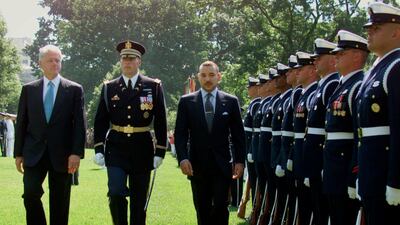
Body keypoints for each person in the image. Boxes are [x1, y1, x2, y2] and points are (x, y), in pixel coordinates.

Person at [93, 40, 167, 225]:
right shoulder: (109, 87)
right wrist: (98, 148)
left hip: (142, 148)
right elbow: (101, 120)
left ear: (139, 61)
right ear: (120, 61)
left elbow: (161, 120)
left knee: (139, 199)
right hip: (116, 148)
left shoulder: (153, 86)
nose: (127, 62)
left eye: (132, 59)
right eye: (124, 58)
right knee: (116, 192)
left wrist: (159, 151)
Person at [14, 44, 86, 225]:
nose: (55, 63)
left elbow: (79, 124)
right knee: (30, 193)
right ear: (40, 63)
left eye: (58, 60)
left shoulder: (74, 89)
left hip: (62, 155)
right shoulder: (29, 89)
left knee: (60, 201)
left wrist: (76, 153)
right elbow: (22, 123)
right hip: (33, 152)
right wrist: (18, 153)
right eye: (50, 60)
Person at [175, 60, 245, 225]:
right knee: (202, 209)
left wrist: (240, 161)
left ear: (218, 76)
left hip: (223, 165)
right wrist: (183, 158)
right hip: (197, 166)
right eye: (204, 75)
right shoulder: (186, 102)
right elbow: (180, 134)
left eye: (212, 75)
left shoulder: (231, 101)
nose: (208, 79)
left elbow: (238, 135)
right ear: (199, 77)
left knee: (221, 206)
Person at [357, 3, 400, 225]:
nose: (369, 33)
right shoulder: (377, 69)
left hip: (385, 175)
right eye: (369, 29)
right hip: (371, 172)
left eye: (377, 28)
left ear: (396, 32)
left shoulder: (396, 67)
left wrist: (396, 181)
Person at [323, 30, 368, 225]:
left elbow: (359, 136)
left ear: (357, 56)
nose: (336, 58)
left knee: (345, 216)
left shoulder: (357, 86)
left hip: (345, 168)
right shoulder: (343, 86)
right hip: (334, 166)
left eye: (341, 54)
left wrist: (354, 174)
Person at [303, 38, 339, 225]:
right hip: (316, 157)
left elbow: (328, 127)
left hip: (323, 157)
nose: (315, 61)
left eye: (319, 57)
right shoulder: (323, 85)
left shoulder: (332, 84)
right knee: (317, 208)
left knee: (324, 210)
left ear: (332, 60)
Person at [290, 51, 318, 225]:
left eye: (301, 68)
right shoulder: (303, 94)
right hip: (300, 152)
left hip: (309, 155)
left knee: (312, 205)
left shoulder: (315, 92)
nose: (296, 72)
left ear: (311, 70)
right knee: (303, 201)